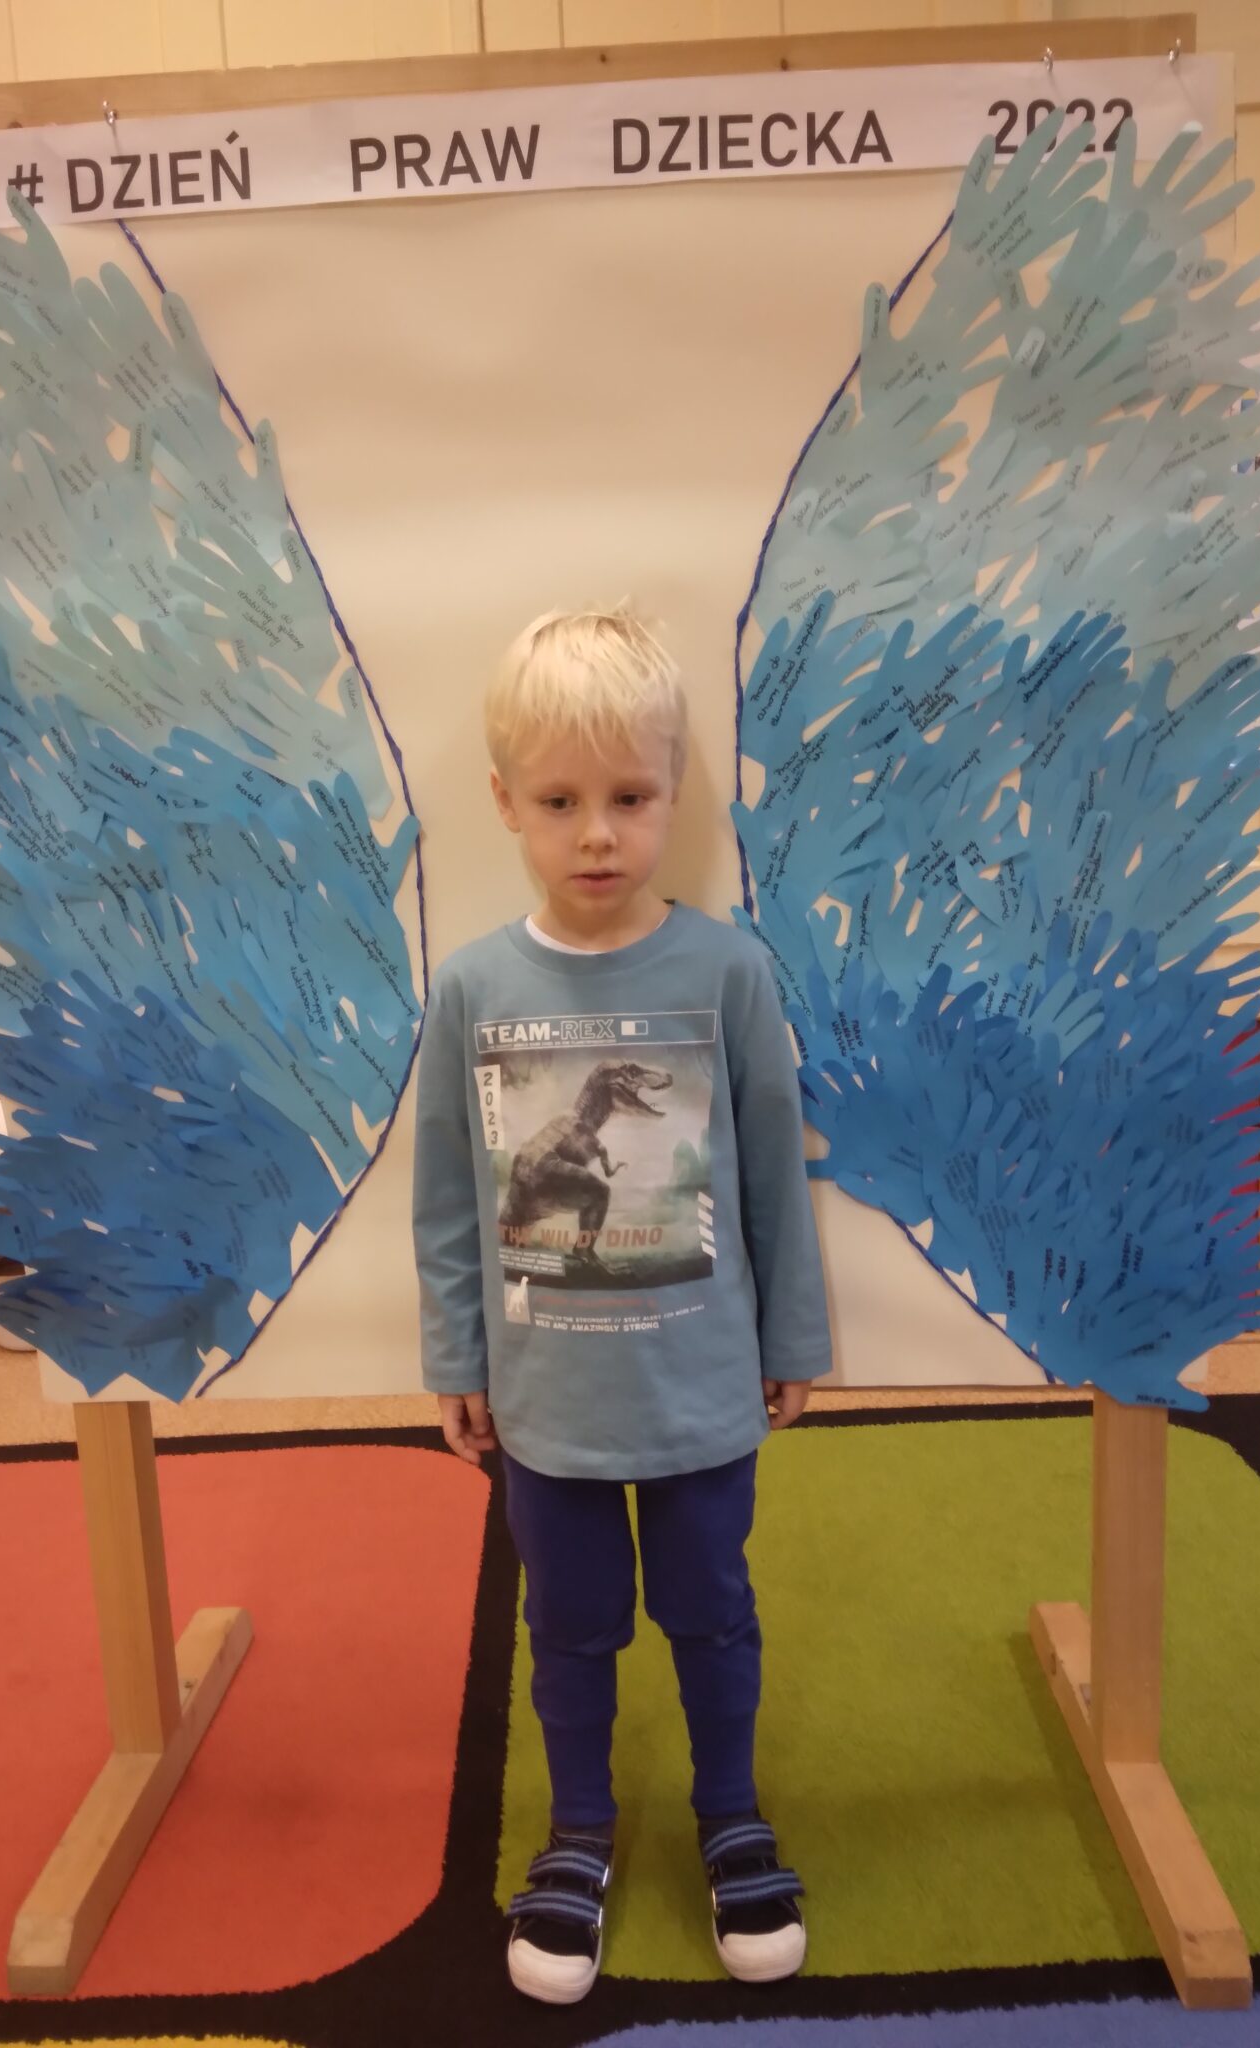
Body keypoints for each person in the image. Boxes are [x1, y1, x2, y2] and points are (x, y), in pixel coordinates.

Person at [412, 607, 832, 2006]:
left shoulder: (727, 971)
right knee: (571, 1624)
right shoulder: (473, 987)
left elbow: (773, 1171)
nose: (597, 834)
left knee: (712, 1608)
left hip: (702, 1388)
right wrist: (456, 1354)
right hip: (550, 1404)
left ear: (673, 795)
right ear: (505, 804)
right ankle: (579, 1828)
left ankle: (732, 1814)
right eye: (560, 802)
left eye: (631, 799)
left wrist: (795, 1339)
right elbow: (449, 1199)